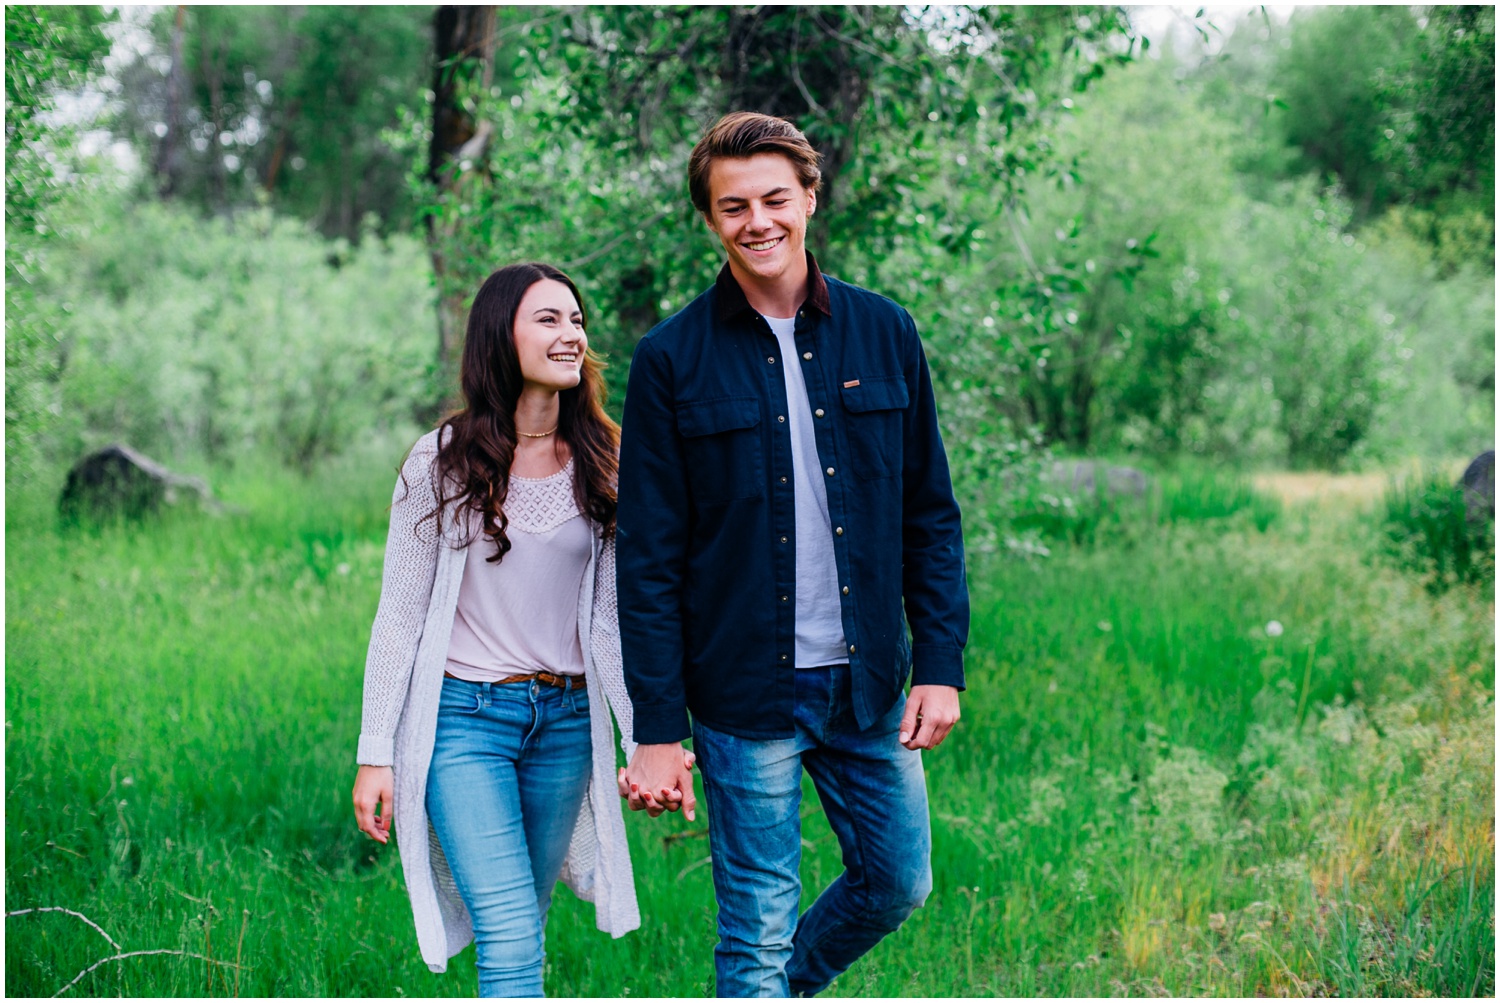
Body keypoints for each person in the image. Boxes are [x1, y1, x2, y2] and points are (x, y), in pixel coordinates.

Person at [615, 113, 971, 997]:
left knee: (897, 881)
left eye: (776, 198)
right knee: (757, 922)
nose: (757, 221)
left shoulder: (886, 331)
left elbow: (931, 513)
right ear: (710, 219)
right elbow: (649, 559)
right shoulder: (671, 359)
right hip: (743, 693)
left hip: (869, 683)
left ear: (810, 198)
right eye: (733, 206)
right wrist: (657, 730)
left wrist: (941, 662)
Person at [352, 263, 679, 997]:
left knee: (524, 922)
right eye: (549, 319)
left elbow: (617, 620)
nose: (572, 335)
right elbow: (399, 616)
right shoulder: (441, 461)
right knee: (507, 927)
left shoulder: (610, 460)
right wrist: (377, 753)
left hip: (564, 725)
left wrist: (642, 737)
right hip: (465, 721)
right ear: (501, 336)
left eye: (576, 319)